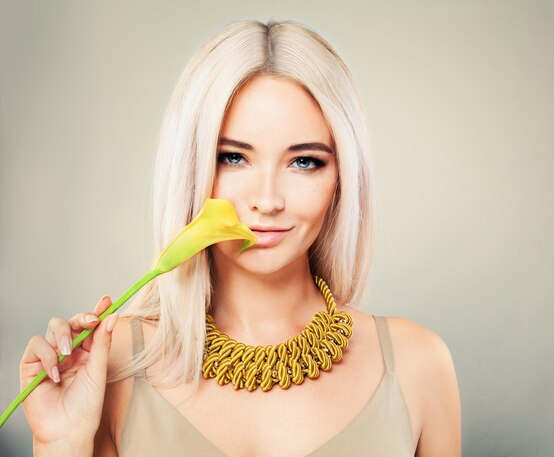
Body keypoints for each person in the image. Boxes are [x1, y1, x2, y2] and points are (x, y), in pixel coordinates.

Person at [19, 18, 461, 456]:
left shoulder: (417, 366)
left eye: (304, 162)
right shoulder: (107, 365)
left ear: (342, 177)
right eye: (233, 157)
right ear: (191, 170)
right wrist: (60, 445)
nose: (267, 200)